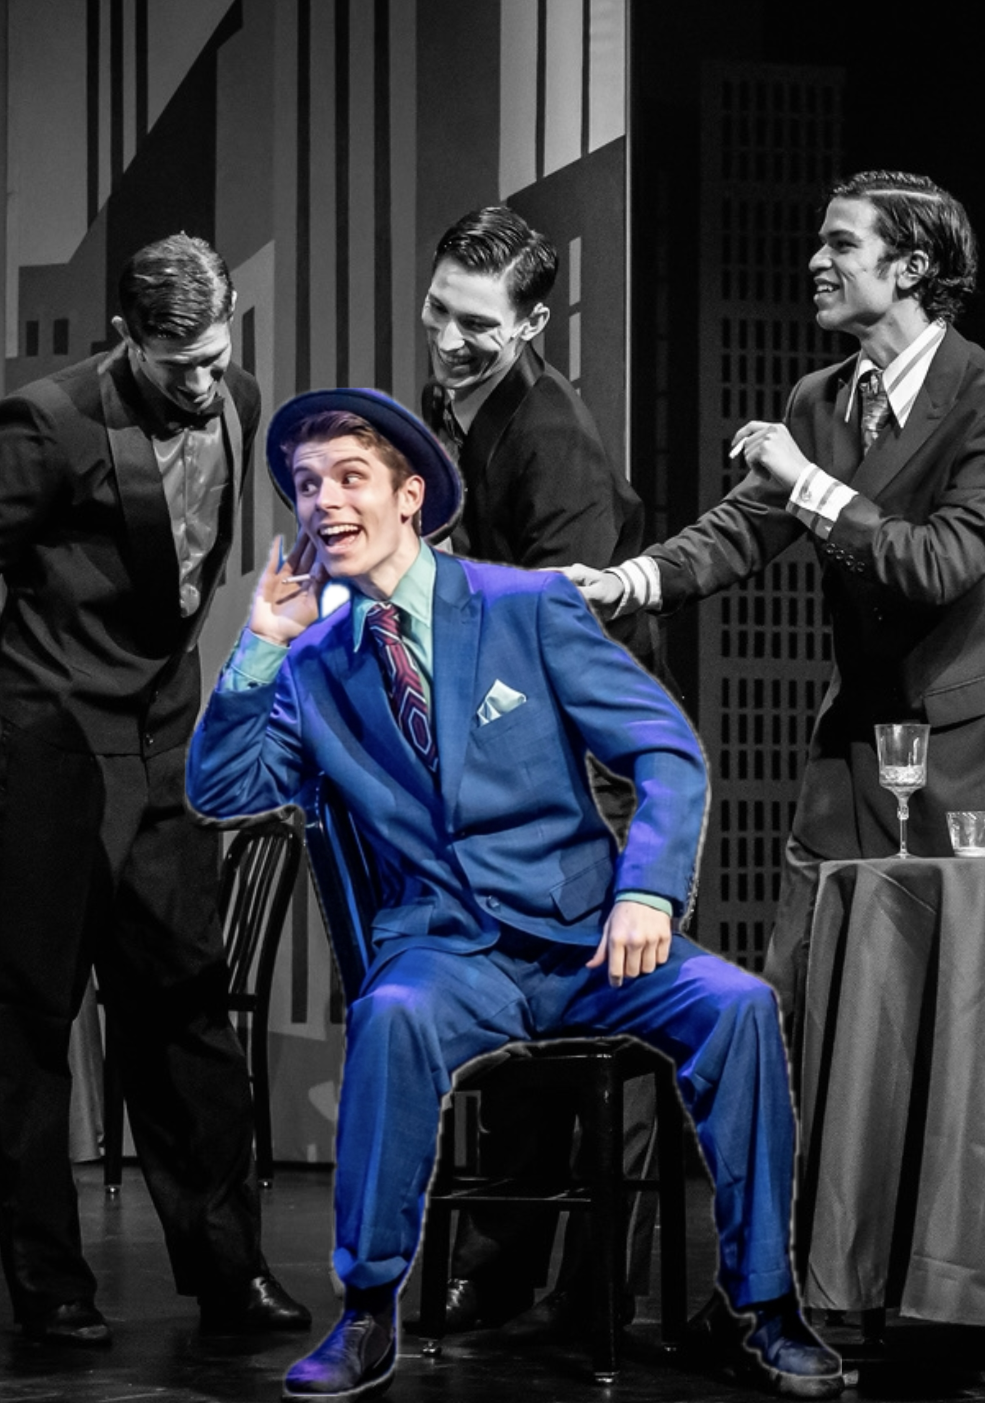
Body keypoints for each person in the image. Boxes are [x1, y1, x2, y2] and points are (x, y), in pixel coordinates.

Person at [184, 389, 841, 1403]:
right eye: (308, 486)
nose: (324, 502)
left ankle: (765, 1304)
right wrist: (261, 643)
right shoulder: (314, 665)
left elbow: (665, 751)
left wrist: (648, 890)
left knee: (742, 1006)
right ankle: (367, 1310)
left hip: (588, 936)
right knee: (391, 1015)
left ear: (409, 494)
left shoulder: (523, 606)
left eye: (349, 478)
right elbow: (223, 789)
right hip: (447, 952)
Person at [567, 170, 985, 1012]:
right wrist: (628, 581)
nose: (815, 262)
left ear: (911, 268)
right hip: (852, 752)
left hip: (968, 761)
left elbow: (941, 563)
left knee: (963, 1013)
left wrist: (809, 482)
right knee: (806, 991)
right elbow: (742, 527)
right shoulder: (819, 397)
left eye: (842, 244)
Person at [0, 234, 310, 1345]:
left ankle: (230, 1271)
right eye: (181, 365)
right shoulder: (50, 421)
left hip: (165, 734)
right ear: (127, 337)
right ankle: (49, 1282)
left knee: (184, 1003)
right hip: (51, 742)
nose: (205, 380)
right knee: (32, 1020)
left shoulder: (241, 398)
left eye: (217, 354)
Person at [419, 203, 666, 1340]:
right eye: (438, 310)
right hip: (518, 756)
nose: (449, 339)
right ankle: (505, 1264)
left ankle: (594, 1287)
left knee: (593, 1023)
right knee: (516, 1018)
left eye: (477, 324)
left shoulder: (550, 434)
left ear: (531, 323)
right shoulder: (450, 406)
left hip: (590, 762)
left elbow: (567, 633)